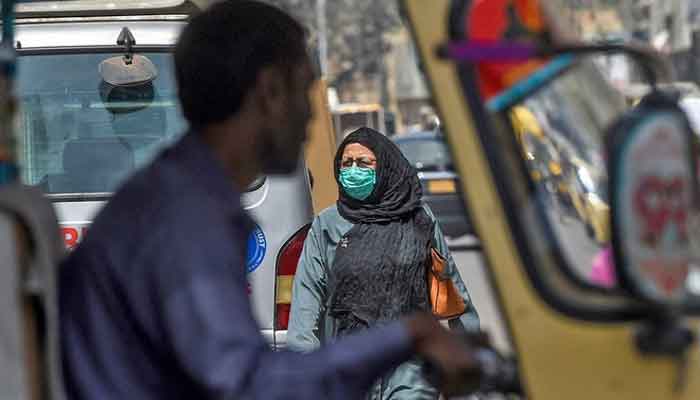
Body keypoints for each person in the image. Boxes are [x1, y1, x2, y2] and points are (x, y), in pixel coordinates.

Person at [58, 1, 480, 399]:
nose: (311, 118)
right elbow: (251, 385)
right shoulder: (187, 219)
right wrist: (408, 336)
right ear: (270, 92)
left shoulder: (180, 196)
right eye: (304, 92)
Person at [288, 127, 479, 399]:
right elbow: (306, 304)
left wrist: (470, 361)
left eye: (364, 163)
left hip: (411, 369)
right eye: (347, 163)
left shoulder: (418, 220)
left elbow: (451, 289)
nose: (354, 170)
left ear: (385, 168)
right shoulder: (327, 225)